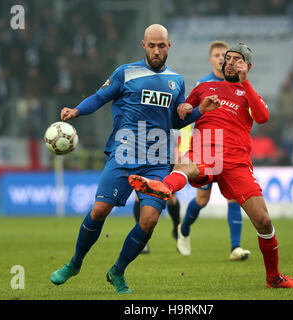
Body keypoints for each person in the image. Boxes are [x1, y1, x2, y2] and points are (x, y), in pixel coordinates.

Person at [49, 24, 219, 294]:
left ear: (169, 46)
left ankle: (117, 271)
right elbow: (100, 97)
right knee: (99, 211)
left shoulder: (176, 80)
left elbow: (174, 120)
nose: (156, 50)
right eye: (151, 45)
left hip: (157, 160)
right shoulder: (125, 72)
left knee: (149, 220)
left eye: (161, 45)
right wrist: (76, 111)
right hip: (124, 154)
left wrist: (198, 110)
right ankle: (75, 263)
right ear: (143, 45)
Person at [129, 42, 293, 288]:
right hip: (206, 147)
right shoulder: (204, 87)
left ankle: (274, 278)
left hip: (237, 161)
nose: (230, 63)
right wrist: (183, 107)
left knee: (264, 221)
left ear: (247, 66)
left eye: (236, 59)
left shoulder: (249, 93)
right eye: (228, 59)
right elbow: (180, 113)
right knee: (187, 165)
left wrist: (245, 83)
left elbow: (263, 117)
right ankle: (163, 187)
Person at [180, 40, 250, 261]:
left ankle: (235, 248)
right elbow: (190, 112)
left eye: (225, 55)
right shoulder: (203, 84)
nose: (222, 58)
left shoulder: (239, 84)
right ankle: (183, 229)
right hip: (206, 144)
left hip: (229, 148)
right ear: (211, 59)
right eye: (218, 55)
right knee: (202, 199)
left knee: (234, 198)